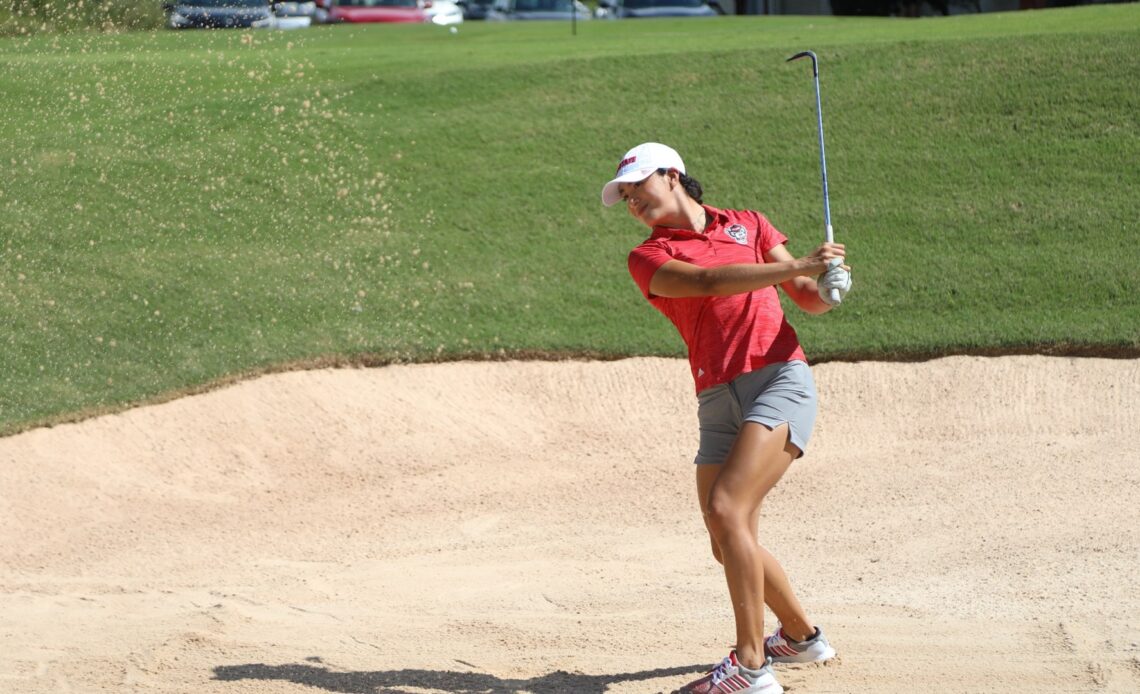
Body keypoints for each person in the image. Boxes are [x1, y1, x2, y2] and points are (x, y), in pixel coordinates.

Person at [600, 143, 851, 694]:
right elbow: (708, 284)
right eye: (625, 198)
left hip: (778, 377)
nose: (632, 203)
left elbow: (804, 296)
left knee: (725, 508)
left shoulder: (749, 224)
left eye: (637, 187)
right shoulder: (647, 257)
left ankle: (751, 666)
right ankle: (802, 637)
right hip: (716, 398)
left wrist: (827, 289)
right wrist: (800, 264)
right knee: (725, 535)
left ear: (671, 176)